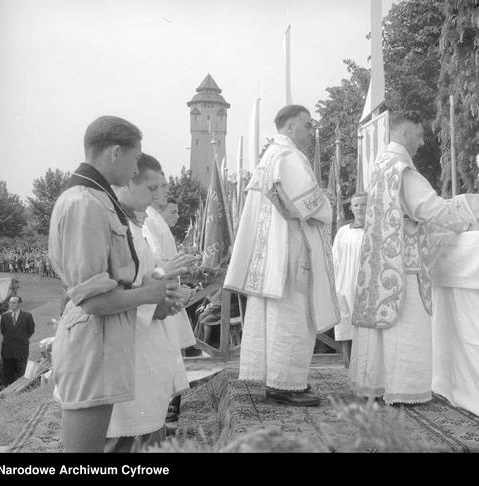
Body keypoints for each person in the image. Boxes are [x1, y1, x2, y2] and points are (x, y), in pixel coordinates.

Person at [48, 116, 186, 453]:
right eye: (135, 158)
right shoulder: (84, 203)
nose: (136, 167)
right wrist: (149, 294)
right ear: (114, 153)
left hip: (105, 342)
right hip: (91, 342)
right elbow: (91, 300)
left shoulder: (97, 199)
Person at [350, 110, 470, 405]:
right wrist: (465, 221)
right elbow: (428, 206)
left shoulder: (379, 164)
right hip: (403, 261)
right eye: (418, 135)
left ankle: (378, 384)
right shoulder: (402, 167)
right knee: (407, 324)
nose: (421, 141)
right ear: (403, 134)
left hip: (380, 257)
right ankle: (405, 389)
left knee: (386, 326)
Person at [224, 104, 340, 406]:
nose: (310, 131)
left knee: (274, 319)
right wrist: (327, 210)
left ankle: (275, 380)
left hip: (271, 257)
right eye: (306, 125)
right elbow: (313, 206)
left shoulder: (268, 158)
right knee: (293, 318)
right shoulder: (289, 157)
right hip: (291, 253)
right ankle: (286, 385)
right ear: (289, 127)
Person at [105, 154, 194, 452]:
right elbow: (121, 285)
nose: (157, 197)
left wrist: (168, 292)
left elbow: (147, 273)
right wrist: (162, 280)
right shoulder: (117, 226)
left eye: (160, 188)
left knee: (149, 426)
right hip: (127, 343)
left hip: (146, 338)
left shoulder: (135, 225)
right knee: (127, 434)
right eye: (151, 188)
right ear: (129, 181)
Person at [143, 180, 196, 423]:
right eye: (172, 211)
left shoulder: (159, 224)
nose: (176, 216)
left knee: (172, 350)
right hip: (159, 293)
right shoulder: (149, 222)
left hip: (168, 289)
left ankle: (169, 404)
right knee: (165, 351)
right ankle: (165, 406)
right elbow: (156, 262)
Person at [331, 192, 367, 368]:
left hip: (366, 286)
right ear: (351, 208)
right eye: (356, 205)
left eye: (364, 204)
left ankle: (368, 373)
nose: (360, 208)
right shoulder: (343, 232)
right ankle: (349, 369)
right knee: (346, 326)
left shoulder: (375, 232)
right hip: (344, 285)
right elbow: (335, 260)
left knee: (367, 330)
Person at [0, 296, 35, 386]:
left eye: (14, 302)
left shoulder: (27, 316)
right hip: (7, 350)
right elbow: (3, 331)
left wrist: (22, 339)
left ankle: (20, 392)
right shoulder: (4, 317)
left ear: (20, 304)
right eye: (10, 303)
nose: (11, 304)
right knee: (8, 375)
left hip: (21, 350)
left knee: (21, 373)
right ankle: (7, 394)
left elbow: (31, 330)